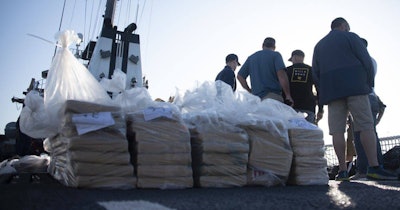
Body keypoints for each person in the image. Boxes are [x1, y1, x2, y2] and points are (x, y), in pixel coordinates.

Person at [312, 17, 397, 181]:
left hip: (332, 91)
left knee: (337, 131)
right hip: (356, 88)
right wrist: (368, 83)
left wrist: (323, 94)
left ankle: (342, 171)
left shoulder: (320, 45)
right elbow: (366, 61)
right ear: (344, 26)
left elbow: (315, 72)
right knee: (365, 126)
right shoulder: (352, 37)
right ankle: (374, 167)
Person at [351, 38, 386, 180]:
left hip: (361, 98)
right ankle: (377, 167)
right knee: (371, 134)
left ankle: (363, 170)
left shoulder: (359, 61)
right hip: (372, 98)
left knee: (359, 135)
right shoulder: (372, 60)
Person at [237, 37, 293, 105]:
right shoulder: (275, 55)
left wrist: (249, 90)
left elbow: (240, 76)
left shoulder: (251, 58)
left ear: (262, 45)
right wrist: (288, 95)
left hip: (255, 100)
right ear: (274, 47)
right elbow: (281, 74)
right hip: (272, 97)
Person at [284, 49, 323, 123]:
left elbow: (282, 88)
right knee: (309, 132)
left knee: (291, 132)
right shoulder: (312, 70)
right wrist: (320, 110)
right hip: (309, 106)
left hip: (291, 107)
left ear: (294, 57)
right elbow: (319, 89)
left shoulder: (287, 71)